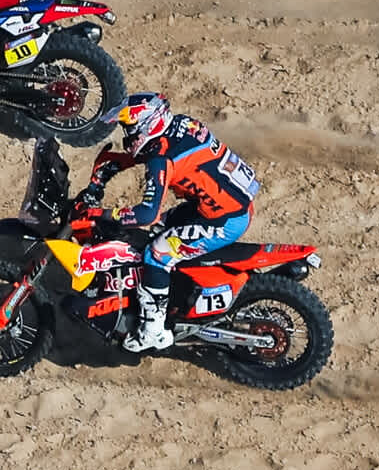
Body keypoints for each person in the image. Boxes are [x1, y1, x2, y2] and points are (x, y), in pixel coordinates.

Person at [85, 93, 267, 354]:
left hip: (224, 219)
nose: (128, 135)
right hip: (224, 203)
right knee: (161, 230)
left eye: (130, 128)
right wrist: (117, 163)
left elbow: (147, 214)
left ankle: (154, 331)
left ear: (148, 125)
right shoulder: (182, 124)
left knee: (156, 254)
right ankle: (175, 294)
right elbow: (164, 151)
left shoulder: (161, 159)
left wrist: (107, 215)